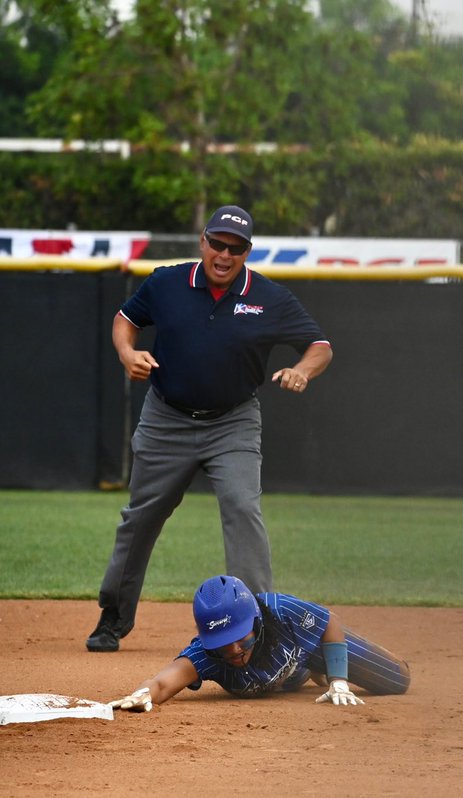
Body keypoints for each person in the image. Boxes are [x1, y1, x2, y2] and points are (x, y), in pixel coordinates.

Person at [86, 205, 333, 653]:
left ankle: (261, 627)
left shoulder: (270, 297)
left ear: (247, 253)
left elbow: (319, 345)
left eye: (235, 248)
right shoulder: (167, 282)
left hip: (233, 421)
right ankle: (112, 618)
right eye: (217, 243)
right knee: (141, 517)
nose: (224, 254)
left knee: (243, 509)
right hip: (167, 418)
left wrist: (303, 370)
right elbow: (126, 319)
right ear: (203, 241)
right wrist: (127, 353)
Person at [108, 575, 410, 711]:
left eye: (241, 640)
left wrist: (340, 681)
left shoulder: (279, 611)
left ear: (256, 622)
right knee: (296, 675)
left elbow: (327, 620)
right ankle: (312, 674)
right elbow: (163, 681)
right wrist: (143, 693)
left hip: (308, 651)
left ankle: (322, 671)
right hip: (289, 675)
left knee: (398, 679)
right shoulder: (207, 654)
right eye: (223, 645)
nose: (235, 651)